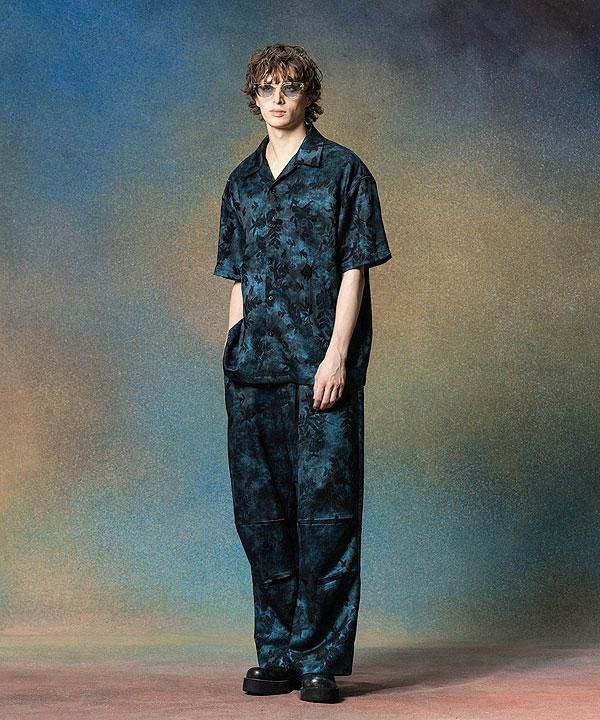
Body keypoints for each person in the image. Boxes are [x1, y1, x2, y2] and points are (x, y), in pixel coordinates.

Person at [213, 44, 392, 704]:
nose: (278, 98)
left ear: (308, 95)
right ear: (254, 97)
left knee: (326, 516)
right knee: (261, 516)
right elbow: (236, 277)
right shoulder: (241, 182)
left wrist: (337, 355)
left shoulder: (343, 171)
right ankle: (278, 651)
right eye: (267, 88)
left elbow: (355, 268)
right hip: (252, 370)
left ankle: (319, 657)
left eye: (289, 87)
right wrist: (233, 347)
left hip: (320, 368)